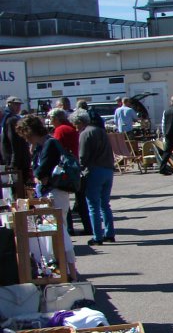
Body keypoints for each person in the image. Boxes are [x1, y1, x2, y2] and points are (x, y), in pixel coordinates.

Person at [15, 115, 79, 280]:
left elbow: (40, 171)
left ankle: (68, 271)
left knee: (59, 233)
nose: (26, 139)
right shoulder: (43, 145)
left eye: (25, 135)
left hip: (53, 193)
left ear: (30, 132)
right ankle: (65, 270)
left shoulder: (49, 144)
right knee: (56, 233)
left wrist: (38, 175)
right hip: (51, 193)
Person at [71, 111, 115, 247]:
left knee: (93, 205)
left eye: (75, 125)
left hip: (94, 170)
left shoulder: (85, 133)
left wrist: (79, 168)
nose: (75, 128)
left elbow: (83, 156)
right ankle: (109, 233)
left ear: (80, 122)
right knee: (105, 204)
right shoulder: (102, 131)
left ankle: (97, 236)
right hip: (108, 170)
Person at [48, 108, 92, 236]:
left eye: (51, 119)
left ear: (56, 119)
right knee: (81, 200)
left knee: (64, 198)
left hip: (68, 169)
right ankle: (88, 227)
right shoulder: (70, 128)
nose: (50, 122)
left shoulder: (61, 130)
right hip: (77, 166)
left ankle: (69, 229)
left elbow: (56, 149)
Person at [1, 96, 30, 199]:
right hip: (13, 161)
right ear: (9, 104)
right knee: (13, 190)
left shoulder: (11, 120)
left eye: (19, 105)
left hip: (17, 162)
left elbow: (15, 144)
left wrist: (13, 164)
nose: (18, 107)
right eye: (16, 104)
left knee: (17, 191)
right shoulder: (8, 119)